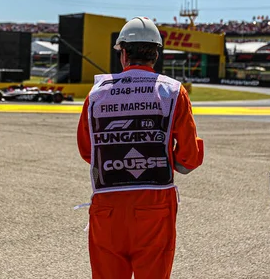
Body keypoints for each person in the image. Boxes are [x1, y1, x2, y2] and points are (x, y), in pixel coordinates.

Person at [77, 16, 204, 279]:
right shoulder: (173, 91)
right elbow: (189, 159)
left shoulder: (97, 93)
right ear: (155, 54)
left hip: (108, 204)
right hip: (155, 205)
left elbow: (88, 151)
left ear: (123, 54)